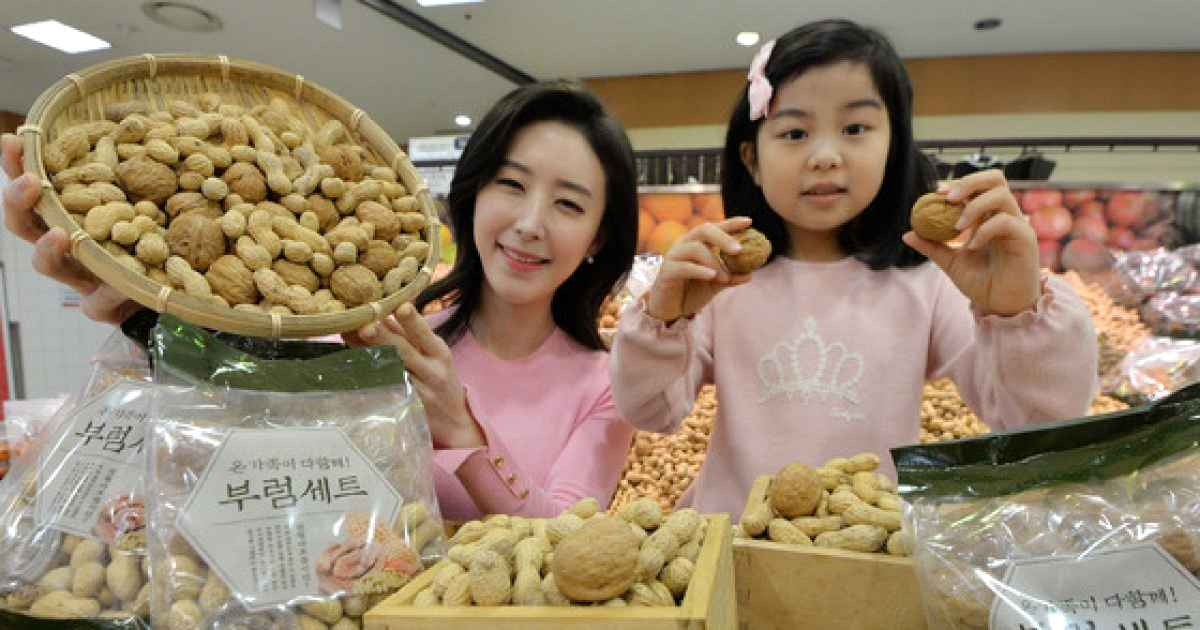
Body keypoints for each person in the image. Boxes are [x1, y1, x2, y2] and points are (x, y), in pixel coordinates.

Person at [1, 80, 638, 520]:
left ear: (598, 238)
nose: (530, 223)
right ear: (473, 196)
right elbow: (230, 427)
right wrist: (142, 316)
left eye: (568, 204)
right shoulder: (374, 332)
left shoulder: (611, 386)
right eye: (511, 185)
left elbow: (568, 542)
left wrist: (462, 429)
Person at [610, 20, 1098, 516]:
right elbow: (651, 412)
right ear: (752, 159)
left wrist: (1015, 310)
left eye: (855, 129)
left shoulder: (926, 283)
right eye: (795, 132)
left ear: (893, 145)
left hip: (866, 543)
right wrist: (663, 321)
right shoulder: (722, 281)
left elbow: (1035, 423)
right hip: (734, 540)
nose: (825, 156)